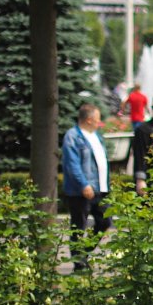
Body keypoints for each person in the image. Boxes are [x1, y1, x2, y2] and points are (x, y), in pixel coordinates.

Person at [60, 103, 111, 255]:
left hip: (100, 189)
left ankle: (85, 251)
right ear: (89, 120)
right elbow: (72, 164)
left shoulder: (96, 136)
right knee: (78, 227)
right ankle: (78, 264)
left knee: (105, 222)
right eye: (98, 119)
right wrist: (83, 184)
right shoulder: (73, 136)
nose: (99, 122)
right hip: (81, 191)